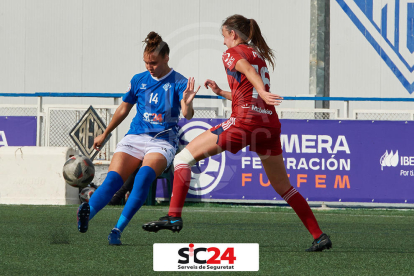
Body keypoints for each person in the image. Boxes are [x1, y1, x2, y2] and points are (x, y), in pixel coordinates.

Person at [142, 15, 332, 252]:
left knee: (182, 158)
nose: (223, 42)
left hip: (245, 122)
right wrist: (222, 91)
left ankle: (173, 216)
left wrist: (261, 91)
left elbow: (245, 69)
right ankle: (318, 235)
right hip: (269, 124)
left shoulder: (233, 53)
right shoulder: (259, 56)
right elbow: (248, 88)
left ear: (233, 34)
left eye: (224, 35)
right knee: (284, 186)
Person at [76, 31, 200, 245]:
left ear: (166, 58)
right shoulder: (138, 80)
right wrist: (105, 134)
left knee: (143, 178)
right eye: (146, 62)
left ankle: (117, 230)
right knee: (113, 180)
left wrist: (187, 103)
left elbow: (187, 115)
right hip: (135, 136)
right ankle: (86, 214)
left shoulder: (179, 82)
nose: (149, 66)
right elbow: (124, 109)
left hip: (162, 141)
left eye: (153, 62)